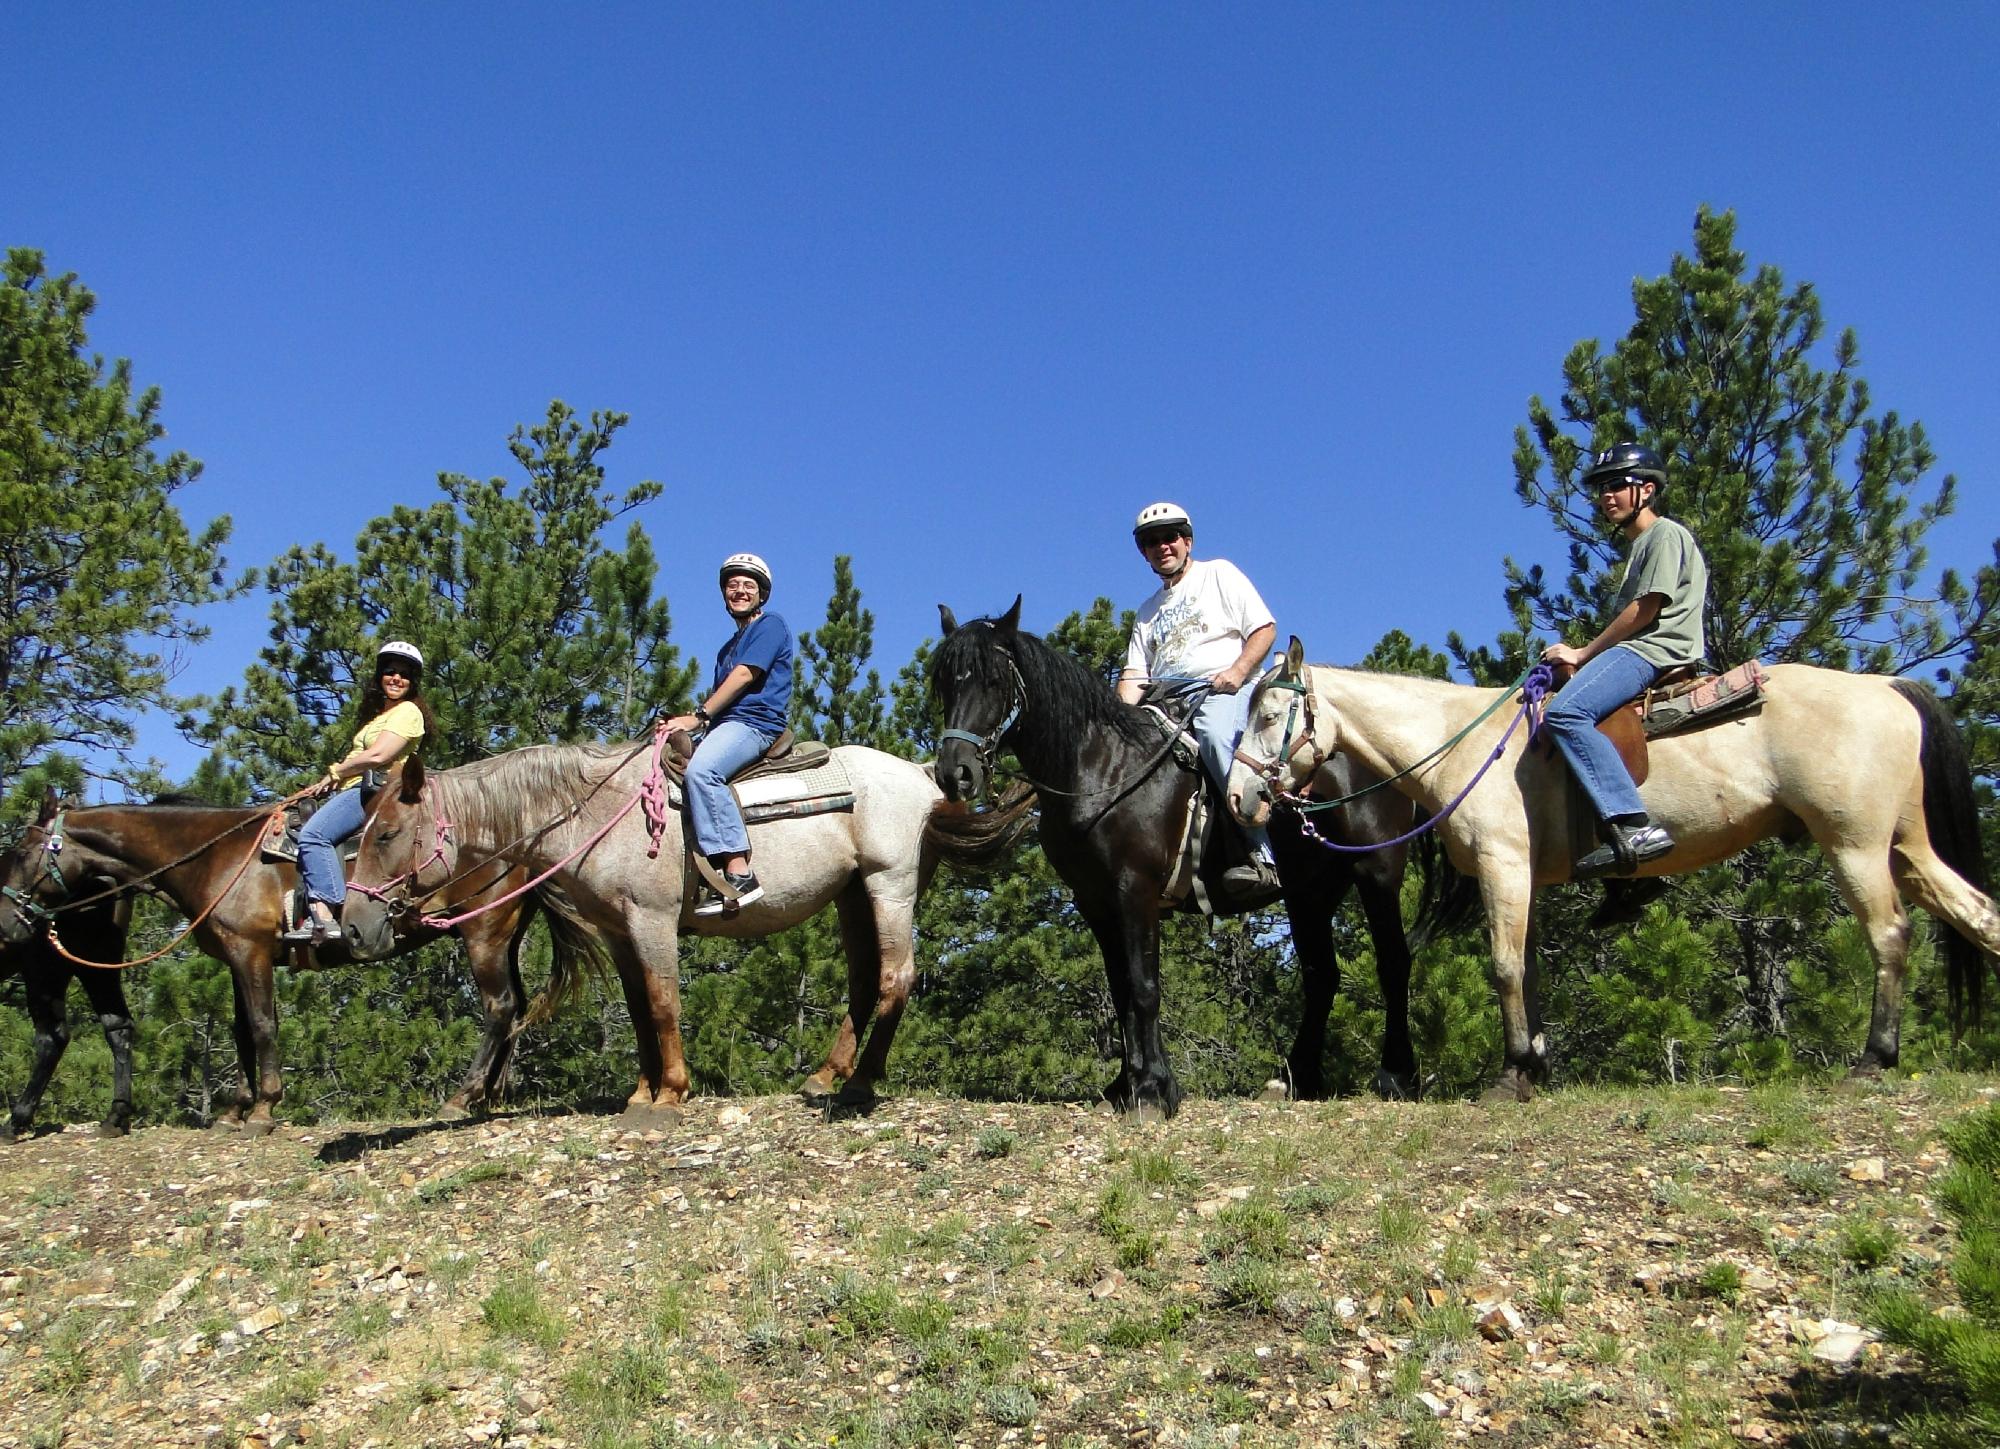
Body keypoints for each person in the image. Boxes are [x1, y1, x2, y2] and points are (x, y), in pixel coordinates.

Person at [1540, 442, 1709, 878]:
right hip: (1646, 649)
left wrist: (1582, 652)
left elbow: (1645, 609)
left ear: (1648, 490)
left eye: (1618, 485)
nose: (1606, 496)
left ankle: (1634, 826)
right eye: (1601, 489)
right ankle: (1623, 882)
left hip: (1654, 650)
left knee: (1565, 713)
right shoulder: (1642, 545)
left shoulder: (1664, 534)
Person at [1115, 501, 1280, 895]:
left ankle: (1262, 855)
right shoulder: (1147, 612)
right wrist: (1117, 719)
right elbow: (1136, 674)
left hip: (1223, 690)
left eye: (1169, 537)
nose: (1162, 546)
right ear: (1144, 552)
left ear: (1186, 541)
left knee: (1215, 738)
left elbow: (1263, 629)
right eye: (1151, 541)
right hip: (1166, 702)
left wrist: (1237, 672)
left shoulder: (1219, 573)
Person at [663, 553, 795, 915]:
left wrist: (698, 716)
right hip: (726, 725)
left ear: (761, 595)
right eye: (733, 585)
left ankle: (739, 871)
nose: (739, 591)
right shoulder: (726, 648)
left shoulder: (771, 626)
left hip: (755, 724)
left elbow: (745, 676)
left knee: (703, 771)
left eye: (748, 586)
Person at [281, 640, 433, 944]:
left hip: (376, 793)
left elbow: (378, 757)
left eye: (404, 674)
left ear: (412, 682)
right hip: (357, 788)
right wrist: (335, 779)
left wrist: (337, 771)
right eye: (390, 671)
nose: (396, 678)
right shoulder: (381, 716)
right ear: (380, 676)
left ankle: (326, 915)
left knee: (314, 835)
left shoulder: (407, 712)